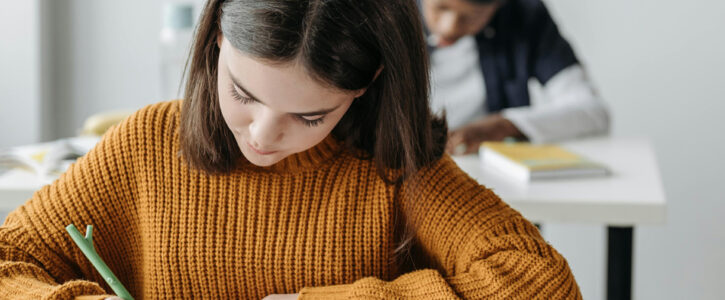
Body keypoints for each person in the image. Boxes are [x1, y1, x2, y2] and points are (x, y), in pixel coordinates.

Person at [0, 0, 581, 299]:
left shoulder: (395, 167)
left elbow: (542, 286)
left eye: (310, 116)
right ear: (217, 39)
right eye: (242, 93)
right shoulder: (150, 144)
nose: (261, 135)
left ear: (367, 84)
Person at [420, 0, 610, 154]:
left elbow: (592, 111)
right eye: (440, 7)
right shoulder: (392, 14)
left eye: (472, 16)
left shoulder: (525, 15)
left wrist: (504, 126)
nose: (448, 27)